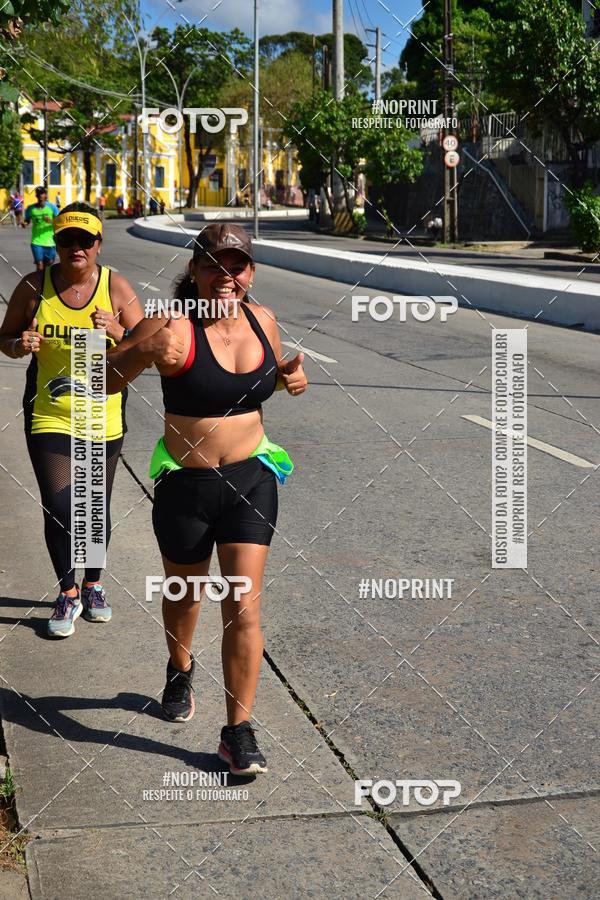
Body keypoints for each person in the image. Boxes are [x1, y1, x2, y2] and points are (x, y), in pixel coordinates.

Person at [105, 223, 308, 775]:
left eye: (237, 266)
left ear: (251, 273)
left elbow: (278, 374)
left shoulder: (263, 320)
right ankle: (179, 667)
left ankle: (237, 732)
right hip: (186, 487)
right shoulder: (169, 324)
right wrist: (142, 350)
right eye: (215, 265)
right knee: (186, 594)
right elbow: (101, 380)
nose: (227, 276)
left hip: (251, 480)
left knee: (243, 607)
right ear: (193, 269)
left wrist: (293, 378)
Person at [0, 202, 144, 637]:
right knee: (62, 506)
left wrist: (119, 333)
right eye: (66, 239)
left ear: (99, 244)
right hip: (50, 412)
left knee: (94, 508)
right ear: (56, 244)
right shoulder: (33, 286)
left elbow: (147, 346)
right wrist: (19, 343)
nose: (75, 247)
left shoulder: (116, 288)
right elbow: (3, 338)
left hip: (103, 414)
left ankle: (94, 584)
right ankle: (68, 593)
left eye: (85, 240)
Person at [23, 186, 59, 271]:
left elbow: (59, 222)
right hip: (36, 241)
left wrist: (50, 221)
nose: (40, 195)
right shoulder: (30, 208)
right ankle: (39, 283)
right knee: (39, 266)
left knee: (49, 265)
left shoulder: (52, 207)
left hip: (51, 242)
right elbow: (27, 221)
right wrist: (24, 223)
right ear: (36, 195)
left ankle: (45, 282)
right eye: (38, 193)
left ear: (45, 195)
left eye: (42, 193)